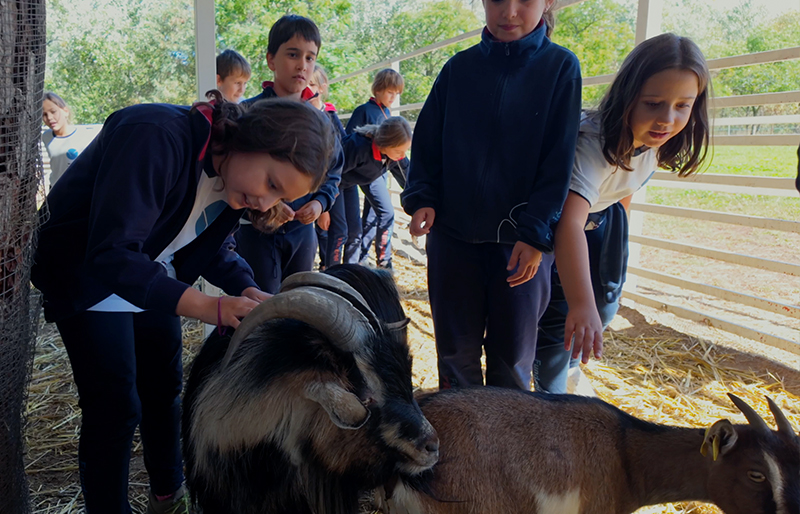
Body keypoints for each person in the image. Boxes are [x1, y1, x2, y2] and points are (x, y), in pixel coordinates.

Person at [31, 93, 336, 514]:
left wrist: (246, 289)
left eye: (279, 196)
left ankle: (168, 495)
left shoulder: (233, 181)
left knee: (165, 390)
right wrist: (211, 308)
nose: (265, 203)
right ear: (249, 139)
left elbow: (209, 247)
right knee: (117, 407)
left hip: (151, 275)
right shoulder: (156, 136)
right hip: (87, 275)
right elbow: (112, 255)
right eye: (271, 183)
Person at [402, 0, 581, 390]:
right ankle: (459, 445)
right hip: (452, 238)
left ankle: (507, 447)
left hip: (520, 244)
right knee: (454, 355)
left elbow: (559, 161)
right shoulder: (457, 70)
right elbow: (428, 143)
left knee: (513, 359)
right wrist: (422, 197)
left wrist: (536, 235)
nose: (510, 12)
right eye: (497, 0)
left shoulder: (560, 69)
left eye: (525, 1)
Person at [534, 33, 712, 394]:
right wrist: (581, 304)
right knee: (565, 314)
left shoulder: (656, 141)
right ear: (627, 95)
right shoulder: (592, 143)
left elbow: (626, 189)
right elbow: (569, 221)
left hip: (607, 217)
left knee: (607, 307)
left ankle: (570, 371)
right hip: (562, 227)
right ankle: (550, 388)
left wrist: (616, 254)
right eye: (653, 103)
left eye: (683, 105)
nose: (667, 118)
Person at [235, 14, 343, 293]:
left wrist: (320, 203)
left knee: (299, 298)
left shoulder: (322, 120)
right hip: (255, 229)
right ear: (271, 60)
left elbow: (333, 171)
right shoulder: (248, 114)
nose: (302, 65)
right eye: (293, 54)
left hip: (301, 230)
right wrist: (265, 203)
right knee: (260, 304)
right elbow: (233, 174)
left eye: (310, 58)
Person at [327, 117, 412, 268]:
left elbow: (408, 179)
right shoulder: (357, 146)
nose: (402, 155)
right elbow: (331, 172)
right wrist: (323, 206)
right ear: (385, 143)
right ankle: (330, 273)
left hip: (351, 184)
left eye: (404, 151)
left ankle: (350, 273)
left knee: (355, 232)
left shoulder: (395, 156)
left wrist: (418, 203)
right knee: (340, 231)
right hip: (334, 184)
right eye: (399, 151)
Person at [345, 68, 409, 268]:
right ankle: (383, 260)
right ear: (378, 90)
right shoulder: (364, 111)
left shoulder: (388, 113)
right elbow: (349, 141)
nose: (393, 97)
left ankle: (363, 257)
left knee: (372, 216)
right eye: (390, 92)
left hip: (380, 170)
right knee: (386, 212)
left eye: (396, 93)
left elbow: (401, 160)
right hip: (365, 169)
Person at [308, 63, 346, 269]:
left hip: (330, 186)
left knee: (337, 229)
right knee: (319, 231)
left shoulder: (330, 116)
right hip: (308, 186)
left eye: (312, 84)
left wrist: (324, 202)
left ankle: (329, 270)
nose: (308, 88)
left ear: (321, 87)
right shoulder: (300, 115)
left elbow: (340, 153)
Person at [41, 92, 101, 190]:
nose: (49, 118)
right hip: (56, 191)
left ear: (65, 111)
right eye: (44, 114)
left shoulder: (85, 136)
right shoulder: (46, 136)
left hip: (79, 192)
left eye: (53, 111)